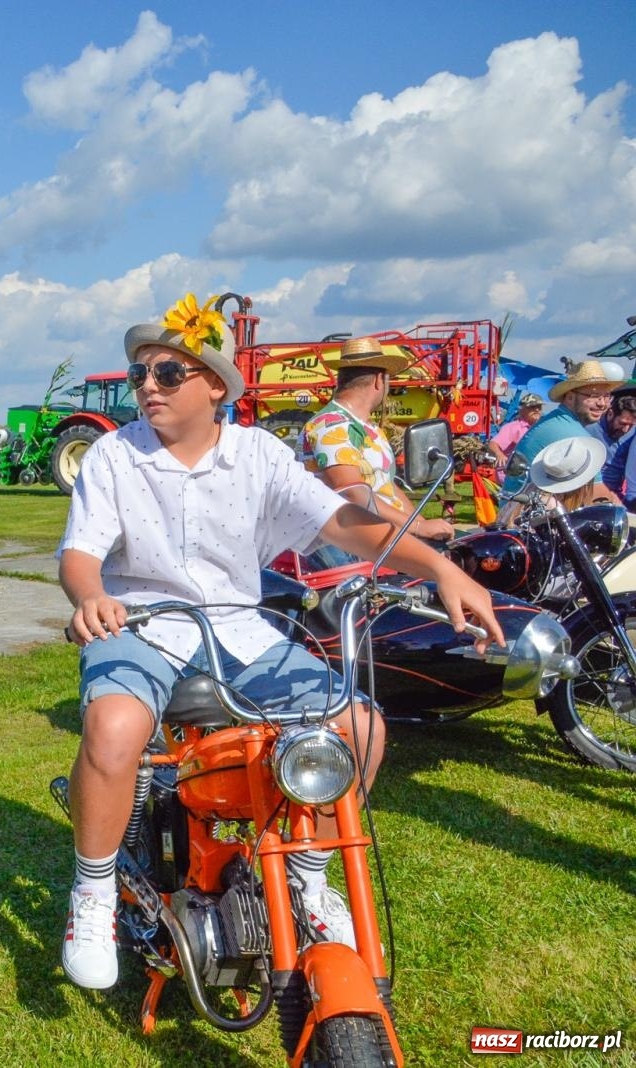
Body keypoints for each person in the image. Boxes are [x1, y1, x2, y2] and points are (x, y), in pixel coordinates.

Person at [56, 294, 503, 991]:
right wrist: (92, 599)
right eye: (141, 371)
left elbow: (346, 522)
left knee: (360, 726)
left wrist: (441, 567)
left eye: (167, 373)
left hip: (239, 629)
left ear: (214, 385)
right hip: (139, 625)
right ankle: (92, 892)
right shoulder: (114, 456)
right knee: (113, 729)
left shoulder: (258, 454)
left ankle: (307, 878)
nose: (147, 385)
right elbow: (80, 554)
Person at [302, 336, 455, 541]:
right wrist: (417, 527)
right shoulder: (331, 426)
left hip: (381, 541)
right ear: (378, 381)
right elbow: (353, 492)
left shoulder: (367, 428)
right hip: (352, 549)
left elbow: (387, 486)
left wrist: (422, 525)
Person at [502, 359, 621, 503]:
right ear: (570, 397)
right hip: (529, 519)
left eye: (606, 396)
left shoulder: (557, 420)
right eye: (594, 396)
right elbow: (598, 496)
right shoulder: (572, 435)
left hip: (521, 512)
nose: (602, 403)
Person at [486, 392, 543, 467]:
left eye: (539, 407)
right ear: (522, 409)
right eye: (532, 407)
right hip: (512, 473)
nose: (537, 410)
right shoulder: (513, 427)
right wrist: (499, 455)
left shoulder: (540, 428)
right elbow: (493, 444)